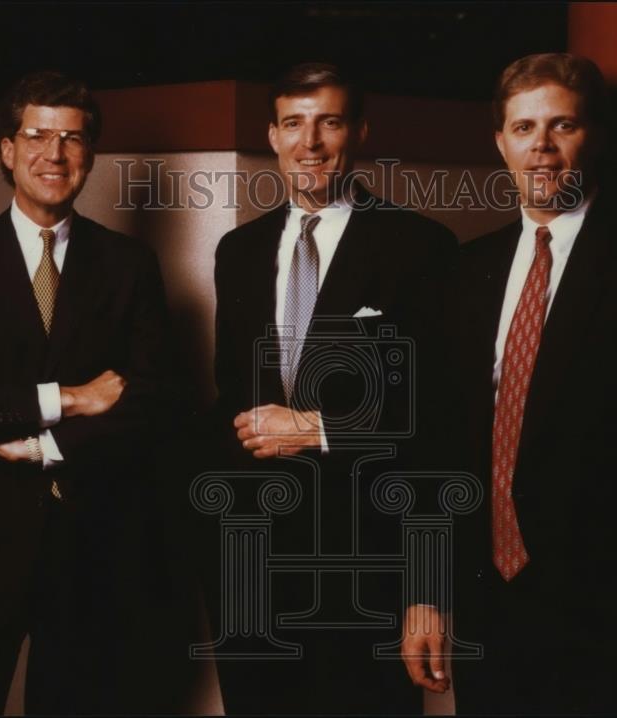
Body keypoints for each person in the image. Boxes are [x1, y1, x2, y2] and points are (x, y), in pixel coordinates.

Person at [400, 53, 617, 714]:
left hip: (615, 622)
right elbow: (438, 447)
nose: (541, 146)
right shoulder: (463, 273)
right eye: (523, 128)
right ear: (500, 143)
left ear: (593, 136)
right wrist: (427, 593)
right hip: (488, 605)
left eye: (561, 125)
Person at [205, 62, 457, 714]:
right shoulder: (237, 251)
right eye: (294, 123)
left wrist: (425, 591)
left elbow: (438, 424)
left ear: (360, 132)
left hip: (368, 573)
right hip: (248, 574)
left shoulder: (421, 247)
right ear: (273, 134)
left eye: (329, 122)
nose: (309, 142)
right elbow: (227, 402)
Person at [0, 70, 172, 715]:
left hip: (91, 543)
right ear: (8, 149)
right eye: (37, 135)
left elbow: (146, 400)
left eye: (72, 139)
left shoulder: (130, 266)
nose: (53, 155)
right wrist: (68, 398)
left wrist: (43, 447)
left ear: (90, 154)